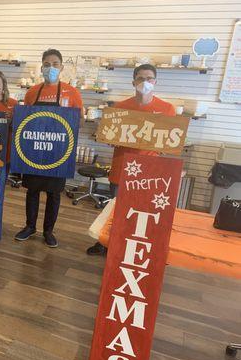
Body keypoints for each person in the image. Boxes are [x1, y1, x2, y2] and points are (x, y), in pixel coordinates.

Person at [87, 63, 176, 256]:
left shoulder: (167, 109)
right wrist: (109, 139)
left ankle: (131, 247)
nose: (145, 82)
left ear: (155, 81)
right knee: (113, 209)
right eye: (141, 78)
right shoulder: (120, 108)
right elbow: (110, 137)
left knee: (142, 212)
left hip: (149, 170)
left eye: (149, 78)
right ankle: (105, 243)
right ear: (133, 81)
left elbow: (170, 140)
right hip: (122, 166)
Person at [14, 48, 83, 248]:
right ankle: (30, 227)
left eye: (54, 64)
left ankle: (48, 231)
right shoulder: (32, 92)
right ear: (41, 66)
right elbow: (25, 121)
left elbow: (79, 121)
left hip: (58, 153)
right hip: (34, 151)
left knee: (54, 194)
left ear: (61, 67)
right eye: (46, 64)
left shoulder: (72, 93)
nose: (50, 68)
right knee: (32, 191)